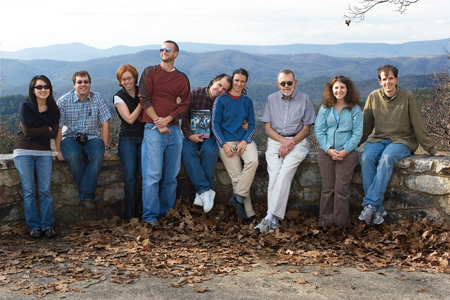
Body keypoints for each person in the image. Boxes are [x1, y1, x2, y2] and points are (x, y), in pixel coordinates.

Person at [358, 65, 447, 225]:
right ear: (380, 81)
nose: (388, 82)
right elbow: (365, 128)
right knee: (366, 158)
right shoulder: (373, 97)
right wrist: (350, 146)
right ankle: (376, 210)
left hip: (401, 140)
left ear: (396, 79)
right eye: (384, 79)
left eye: (390, 78)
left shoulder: (408, 97)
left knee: (387, 158)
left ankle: (370, 204)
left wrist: (432, 149)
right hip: (377, 139)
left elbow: (418, 125)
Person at [254, 69, 316, 233]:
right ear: (278, 84)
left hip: (298, 142)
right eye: (283, 83)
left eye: (289, 82)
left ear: (295, 82)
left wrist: (290, 143)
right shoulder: (271, 99)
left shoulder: (305, 99)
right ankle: (273, 220)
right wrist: (282, 141)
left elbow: (306, 129)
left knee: (285, 173)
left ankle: (269, 217)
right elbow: (267, 128)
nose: (286, 86)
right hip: (276, 141)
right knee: (274, 175)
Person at [138, 40, 190, 226]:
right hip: (153, 130)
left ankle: (165, 213)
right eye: (161, 49)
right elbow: (144, 97)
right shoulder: (150, 72)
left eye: (167, 49)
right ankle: (150, 217)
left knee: (171, 177)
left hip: (174, 131)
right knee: (152, 176)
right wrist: (158, 121)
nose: (163, 51)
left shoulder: (182, 78)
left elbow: (184, 104)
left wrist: (167, 120)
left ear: (175, 54)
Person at [55, 71, 111, 210]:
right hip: (70, 138)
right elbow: (59, 127)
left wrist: (105, 146)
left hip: (92, 137)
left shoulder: (98, 98)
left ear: (90, 84)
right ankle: (90, 194)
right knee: (73, 156)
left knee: (97, 155)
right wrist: (57, 150)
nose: (83, 85)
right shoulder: (64, 101)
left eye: (86, 82)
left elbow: (105, 123)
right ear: (74, 85)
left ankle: (86, 195)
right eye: (79, 82)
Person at [13, 75, 60, 238]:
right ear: (33, 90)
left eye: (46, 86)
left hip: (44, 153)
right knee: (29, 191)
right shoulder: (26, 106)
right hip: (23, 151)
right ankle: (34, 227)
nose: (43, 90)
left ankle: (47, 226)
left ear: (50, 89)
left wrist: (44, 130)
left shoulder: (54, 108)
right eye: (39, 87)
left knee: (46, 191)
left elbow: (54, 133)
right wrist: (46, 128)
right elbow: (28, 132)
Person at [315, 76, 362, 228]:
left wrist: (344, 151)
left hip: (347, 154)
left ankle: (342, 224)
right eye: (336, 87)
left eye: (342, 87)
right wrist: (328, 149)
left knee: (341, 190)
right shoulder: (325, 108)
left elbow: (357, 133)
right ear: (331, 90)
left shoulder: (354, 109)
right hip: (326, 153)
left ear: (347, 89)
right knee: (327, 188)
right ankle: (324, 223)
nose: (339, 90)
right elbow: (319, 130)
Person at [212, 68, 258, 224]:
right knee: (237, 178)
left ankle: (238, 199)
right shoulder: (221, 100)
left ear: (245, 83)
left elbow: (252, 125)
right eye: (236, 80)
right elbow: (215, 125)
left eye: (242, 81)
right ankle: (248, 215)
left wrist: (245, 141)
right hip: (226, 142)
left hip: (244, 140)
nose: (239, 83)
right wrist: (224, 145)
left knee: (253, 161)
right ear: (233, 80)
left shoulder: (247, 101)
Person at [180, 74, 231, 213]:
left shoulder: (223, 101)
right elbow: (184, 116)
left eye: (224, 89)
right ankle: (206, 189)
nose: (220, 90)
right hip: (192, 133)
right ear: (214, 81)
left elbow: (227, 121)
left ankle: (201, 191)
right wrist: (190, 135)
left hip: (211, 136)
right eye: (219, 85)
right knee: (186, 151)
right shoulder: (196, 93)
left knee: (210, 151)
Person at [114, 64, 145, 222]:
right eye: (123, 79)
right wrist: (143, 101)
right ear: (120, 81)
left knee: (144, 176)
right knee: (130, 177)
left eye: (129, 78)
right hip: (128, 139)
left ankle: (142, 212)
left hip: (145, 137)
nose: (127, 82)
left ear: (135, 78)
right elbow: (130, 119)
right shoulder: (118, 97)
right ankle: (129, 215)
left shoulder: (142, 90)